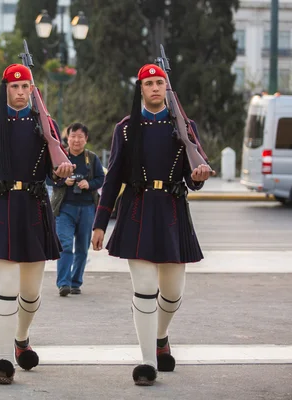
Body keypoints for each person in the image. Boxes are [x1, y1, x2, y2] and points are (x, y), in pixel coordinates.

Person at [90, 64, 211, 386]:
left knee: (172, 294)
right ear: (140, 89)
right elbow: (113, 176)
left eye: (160, 83)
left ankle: (160, 336)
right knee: (144, 291)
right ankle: (146, 362)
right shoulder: (126, 129)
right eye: (149, 84)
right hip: (137, 211)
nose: (155, 88)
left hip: (172, 211)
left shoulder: (183, 125)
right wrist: (100, 223)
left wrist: (197, 179)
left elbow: (192, 174)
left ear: (166, 89)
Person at [0, 64, 74, 385]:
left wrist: (62, 171)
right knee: (6, 290)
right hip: (1, 208)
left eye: (26, 87)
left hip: (35, 209)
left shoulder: (45, 124)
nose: (21, 92)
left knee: (31, 294)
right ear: (5, 88)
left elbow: (54, 170)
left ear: (32, 90)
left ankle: (22, 338)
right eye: (15, 87)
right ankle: (4, 358)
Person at [48, 122, 105, 296]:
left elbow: (101, 179)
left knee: (81, 248)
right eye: (73, 136)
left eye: (80, 137)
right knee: (64, 244)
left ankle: (75, 282)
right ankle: (63, 283)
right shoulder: (59, 156)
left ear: (86, 139)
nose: (76, 140)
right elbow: (48, 178)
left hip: (87, 208)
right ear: (68, 138)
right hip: (65, 208)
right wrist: (63, 181)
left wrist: (89, 183)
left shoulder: (92, 158)